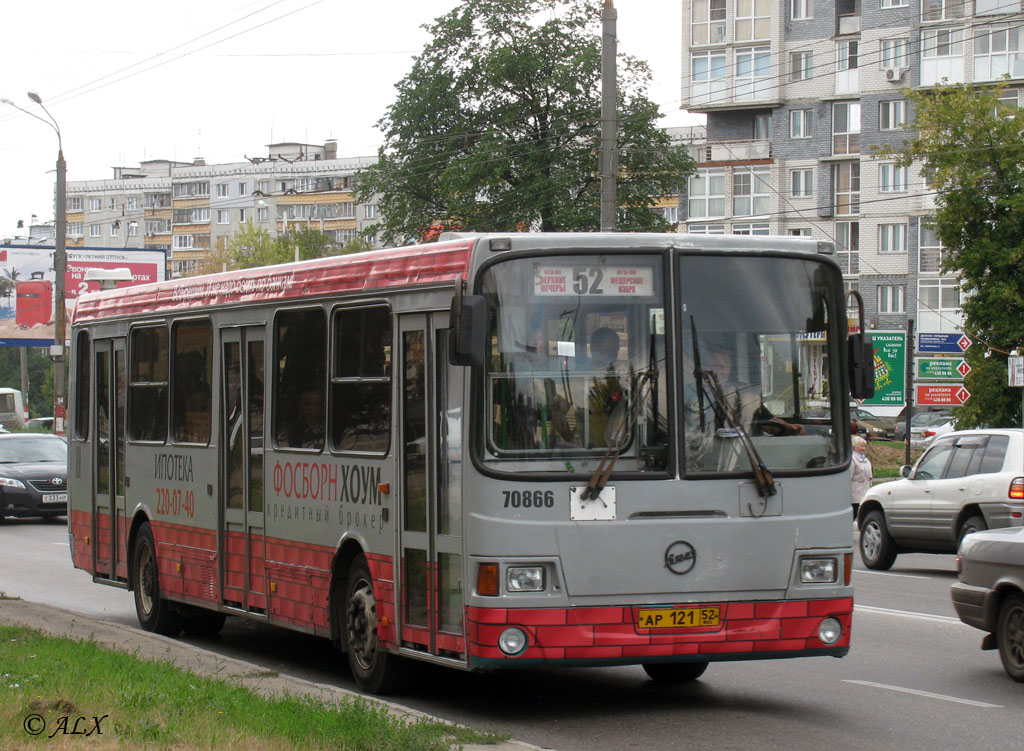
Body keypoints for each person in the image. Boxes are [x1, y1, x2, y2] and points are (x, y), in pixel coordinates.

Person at [850, 435, 872, 517]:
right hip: (855, 494)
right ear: (854, 446)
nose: (863, 448)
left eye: (864, 446)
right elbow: (849, 476)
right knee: (854, 514)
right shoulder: (852, 459)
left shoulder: (865, 459)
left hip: (865, 492)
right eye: (861, 446)